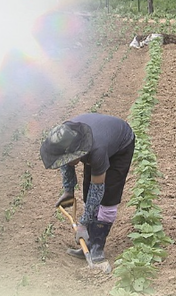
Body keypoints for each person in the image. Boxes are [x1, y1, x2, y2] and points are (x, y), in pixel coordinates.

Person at [40, 113, 135, 271]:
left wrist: (83, 224)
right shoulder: (66, 136)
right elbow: (66, 163)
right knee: (87, 193)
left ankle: (97, 248)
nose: (66, 163)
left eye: (69, 159)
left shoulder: (97, 151)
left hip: (121, 145)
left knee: (107, 198)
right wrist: (68, 190)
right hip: (97, 139)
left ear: (77, 152)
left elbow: (97, 190)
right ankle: (88, 244)